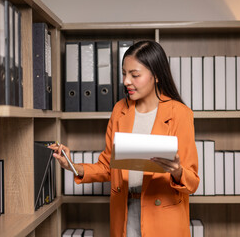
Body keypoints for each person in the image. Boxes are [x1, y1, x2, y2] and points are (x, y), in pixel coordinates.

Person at [49, 40, 199, 237]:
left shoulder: (180, 113)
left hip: (163, 216)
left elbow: (193, 182)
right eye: (124, 73)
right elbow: (107, 167)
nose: (127, 81)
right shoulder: (120, 110)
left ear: (156, 76)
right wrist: (71, 165)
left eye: (135, 75)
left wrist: (178, 171)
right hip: (125, 211)